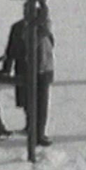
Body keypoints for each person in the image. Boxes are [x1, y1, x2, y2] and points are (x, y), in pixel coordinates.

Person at [1, 4, 34, 131]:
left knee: (34, 97)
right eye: (25, 11)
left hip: (35, 68)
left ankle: (34, 125)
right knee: (25, 98)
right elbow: (10, 49)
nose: (26, 14)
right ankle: (29, 123)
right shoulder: (17, 27)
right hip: (21, 67)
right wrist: (6, 69)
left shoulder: (39, 27)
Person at [34, 14, 55, 146]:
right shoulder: (36, 36)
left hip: (46, 72)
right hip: (39, 74)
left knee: (43, 106)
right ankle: (38, 134)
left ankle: (39, 132)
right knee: (40, 105)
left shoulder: (47, 36)